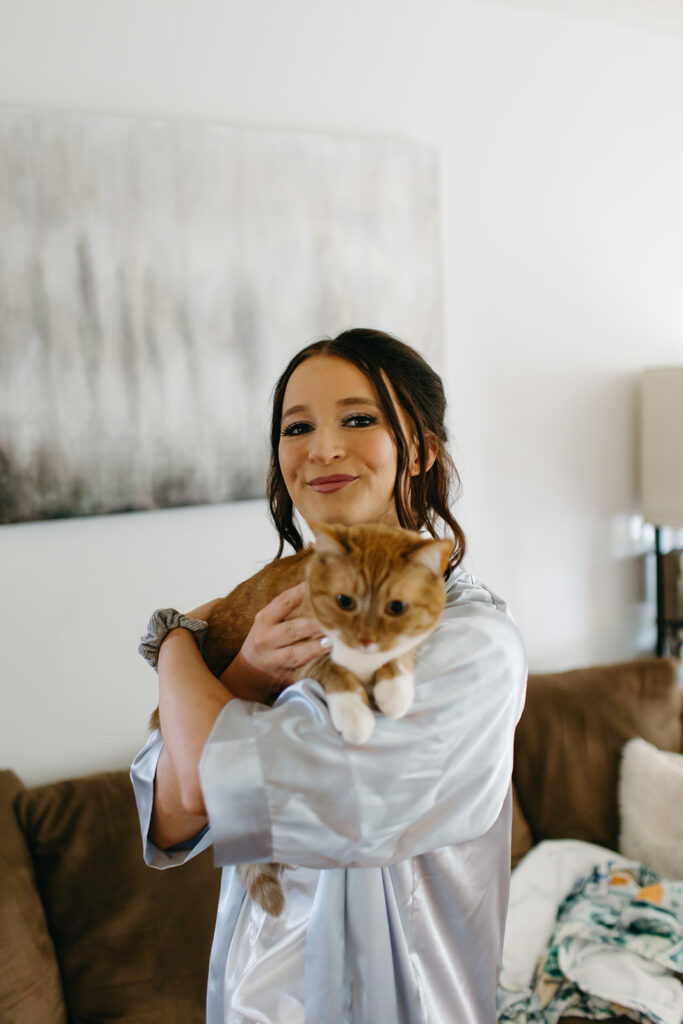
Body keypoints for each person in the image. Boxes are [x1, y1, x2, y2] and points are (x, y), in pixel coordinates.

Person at [131, 327, 527, 1024]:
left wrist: (170, 642)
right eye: (295, 427)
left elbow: (210, 784)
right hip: (254, 998)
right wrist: (246, 671)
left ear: (422, 449)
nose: (321, 449)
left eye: (358, 418)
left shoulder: (473, 649)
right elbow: (169, 816)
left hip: (397, 1000)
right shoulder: (269, 619)